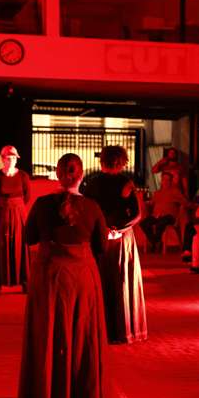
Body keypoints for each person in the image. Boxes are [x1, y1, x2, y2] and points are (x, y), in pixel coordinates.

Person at [18, 153, 108, 398]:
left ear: (57, 175)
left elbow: (30, 238)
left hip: (49, 275)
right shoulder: (92, 207)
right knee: (82, 336)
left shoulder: (42, 203)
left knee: (47, 334)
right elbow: (101, 246)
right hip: (82, 277)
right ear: (81, 176)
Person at [82, 145, 147, 344]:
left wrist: (100, 230)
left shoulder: (91, 183)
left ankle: (97, 329)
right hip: (121, 239)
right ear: (122, 161)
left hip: (97, 238)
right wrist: (117, 229)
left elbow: (86, 210)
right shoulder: (125, 183)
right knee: (121, 282)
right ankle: (123, 330)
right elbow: (137, 214)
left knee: (100, 281)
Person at [0, 145, 31, 294]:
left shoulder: (23, 176)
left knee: (20, 245)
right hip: (4, 214)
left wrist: (16, 207)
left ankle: (24, 281)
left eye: (14, 158)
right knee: (2, 245)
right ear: (2, 159)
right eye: (9, 158)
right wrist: (7, 206)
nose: (12, 160)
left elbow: (27, 197)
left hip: (19, 214)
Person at [139, 171, 189, 252]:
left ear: (170, 181)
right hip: (157, 216)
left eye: (167, 180)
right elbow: (151, 203)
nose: (165, 181)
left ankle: (155, 244)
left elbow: (185, 203)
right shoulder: (157, 193)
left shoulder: (175, 192)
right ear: (161, 181)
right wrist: (144, 202)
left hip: (169, 216)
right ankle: (155, 241)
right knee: (143, 223)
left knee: (161, 223)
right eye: (163, 179)